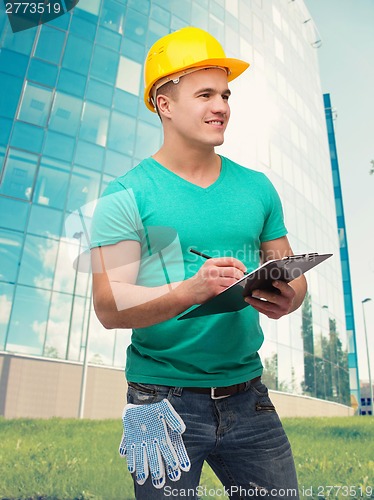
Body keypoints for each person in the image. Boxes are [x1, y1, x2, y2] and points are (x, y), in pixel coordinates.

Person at [90, 26, 307, 499]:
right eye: (205, 93)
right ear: (164, 105)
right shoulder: (125, 195)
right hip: (158, 402)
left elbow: (288, 270)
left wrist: (288, 297)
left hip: (248, 396)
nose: (222, 106)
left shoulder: (257, 188)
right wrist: (192, 289)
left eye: (225, 94)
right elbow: (108, 305)